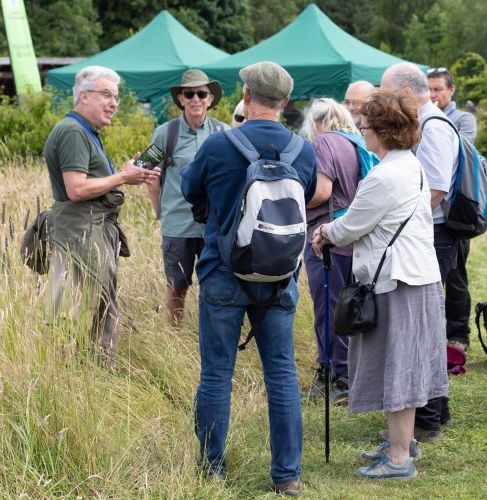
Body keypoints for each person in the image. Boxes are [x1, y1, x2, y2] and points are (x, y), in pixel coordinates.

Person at [181, 61, 316, 495]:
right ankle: (287, 477)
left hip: (223, 271)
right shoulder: (302, 150)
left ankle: (212, 472)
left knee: (217, 374)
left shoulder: (220, 146)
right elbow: (307, 197)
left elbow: (189, 190)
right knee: (281, 373)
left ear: (245, 95)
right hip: (280, 277)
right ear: (286, 102)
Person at [312, 90, 448, 480]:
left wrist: (324, 231)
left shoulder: (384, 176)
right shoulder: (411, 166)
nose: (361, 130)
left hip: (398, 283)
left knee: (399, 367)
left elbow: (353, 224)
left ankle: (399, 458)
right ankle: (400, 444)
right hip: (416, 277)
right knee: (406, 364)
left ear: (383, 131)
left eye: (365, 125)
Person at [44, 65, 160, 363]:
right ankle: (84, 375)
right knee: (88, 307)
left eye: (116, 97)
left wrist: (128, 173)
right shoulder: (72, 131)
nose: (113, 103)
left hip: (90, 229)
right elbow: (76, 189)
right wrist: (122, 177)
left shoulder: (85, 131)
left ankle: (90, 372)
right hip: (81, 231)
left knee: (95, 305)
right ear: (83, 96)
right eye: (106, 95)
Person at [381, 62, 459, 442]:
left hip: (436, 235)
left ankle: (427, 418)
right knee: (428, 325)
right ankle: (431, 414)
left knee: (424, 328)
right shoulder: (426, 124)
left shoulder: (432, 127)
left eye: (390, 93)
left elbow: (436, 188)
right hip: (430, 234)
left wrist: (400, 219)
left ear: (408, 93)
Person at [146, 69, 230, 325]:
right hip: (177, 225)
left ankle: (211, 331)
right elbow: (145, 169)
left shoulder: (223, 132)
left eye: (201, 93)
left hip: (213, 226)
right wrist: (159, 211)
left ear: (210, 99)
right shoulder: (165, 132)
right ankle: (174, 336)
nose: (195, 99)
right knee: (177, 286)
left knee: (214, 285)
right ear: (181, 99)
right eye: (189, 94)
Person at [299, 98, 363, 404]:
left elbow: (322, 192)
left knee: (329, 307)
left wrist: (291, 198)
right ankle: (346, 373)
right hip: (353, 235)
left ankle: (335, 378)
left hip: (326, 237)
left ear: (316, 122)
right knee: (347, 307)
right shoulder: (356, 142)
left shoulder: (323, 142)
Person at [428, 67, 478, 354]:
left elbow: (458, 153)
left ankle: (458, 335)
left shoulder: (463, 119)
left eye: (438, 89)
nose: (433, 94)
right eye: (430, 89)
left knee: (456, 277)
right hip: (431, 216)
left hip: (455, 215)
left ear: (451, 90)